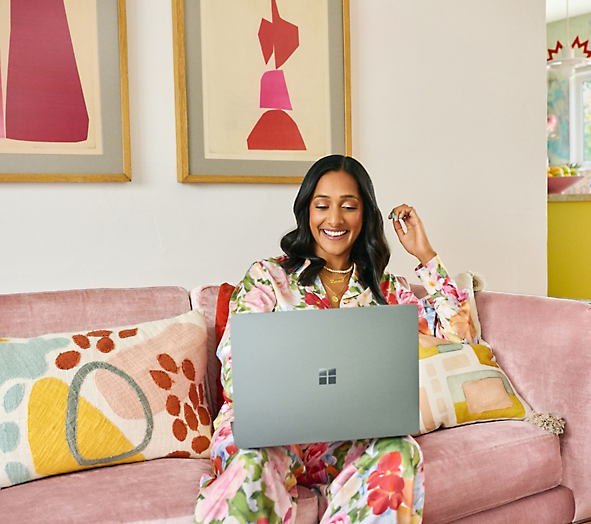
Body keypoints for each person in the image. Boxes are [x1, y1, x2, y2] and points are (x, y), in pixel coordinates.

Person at [194, 155, 471, 524]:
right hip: (269, 431)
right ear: (307, 211)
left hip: (348, 437)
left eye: (349, 207)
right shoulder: (268, 277)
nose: (335, 220)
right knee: (249, 463)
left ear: (365, 216)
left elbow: (458, 334)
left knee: (401, 451)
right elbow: (236, 367)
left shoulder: (386, 290)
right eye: (322, 206)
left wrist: (425, 255)